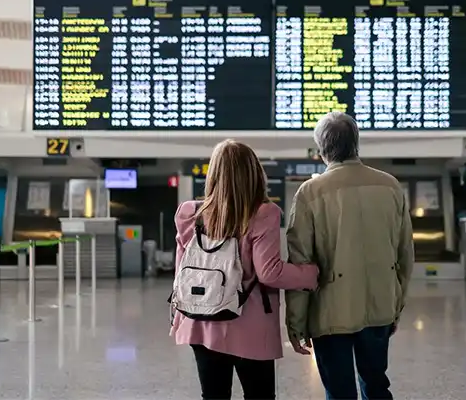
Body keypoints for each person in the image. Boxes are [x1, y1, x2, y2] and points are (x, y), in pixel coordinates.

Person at [172, 139, 319, 400]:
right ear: (254, 173)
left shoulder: (189, 213)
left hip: (201, 318)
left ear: (214, 173)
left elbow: (182, 270)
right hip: (248, 322)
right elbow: (270, 272)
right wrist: (310, 274)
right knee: (259, 395)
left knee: (214, 395)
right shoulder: (263, 213)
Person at [285, 112, 414, 400]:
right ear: (356, 143)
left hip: (330, 312)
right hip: (379, 304)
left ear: (321, 150)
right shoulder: (389, 186)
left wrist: (296, 322)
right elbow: (405, 252)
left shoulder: (310, 192)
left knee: (340, 391)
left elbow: (301, 264)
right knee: (376, 383)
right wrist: (396, 305)